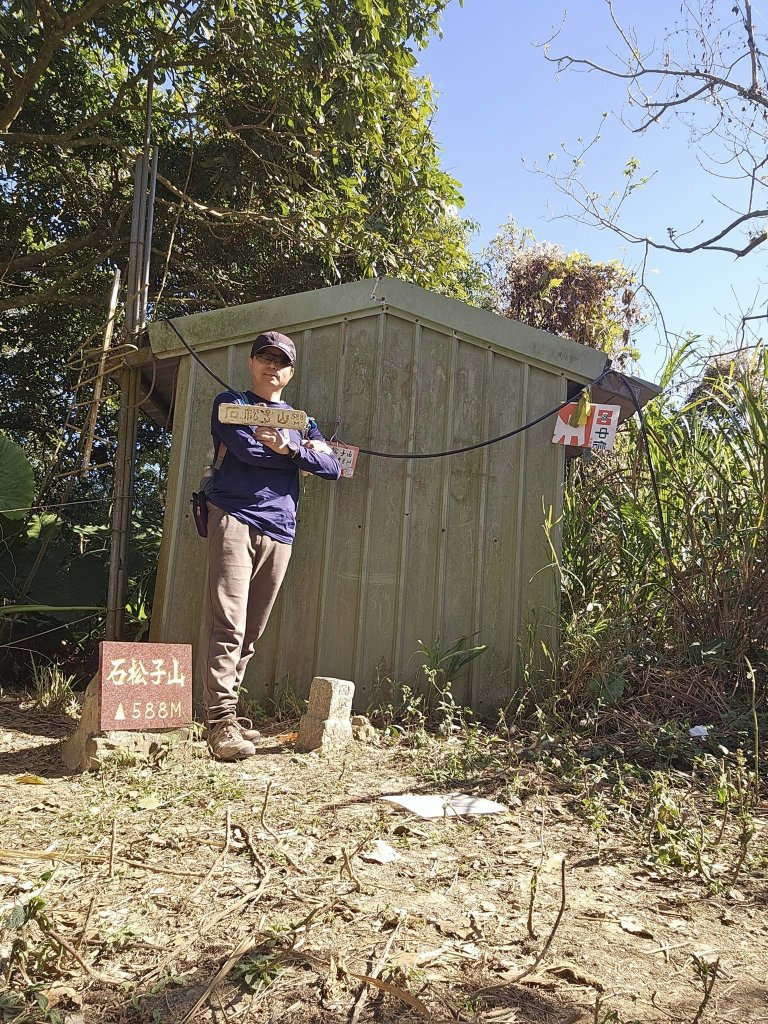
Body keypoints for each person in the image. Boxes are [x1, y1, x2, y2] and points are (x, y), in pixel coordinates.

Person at [200, 330, 341, 760]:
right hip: (234, 517)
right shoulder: (231, 405)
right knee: (229, 622)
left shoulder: (304, 421)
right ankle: (219, 722)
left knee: (253, 631)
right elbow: (247, 453)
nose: (272, 365)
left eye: (281, 361)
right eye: (264, 357)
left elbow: (332, 465)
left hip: (281, 528)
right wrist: (296, 451)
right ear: (251, 362)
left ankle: (231, 715)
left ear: (290, 372)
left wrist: (289, 446)